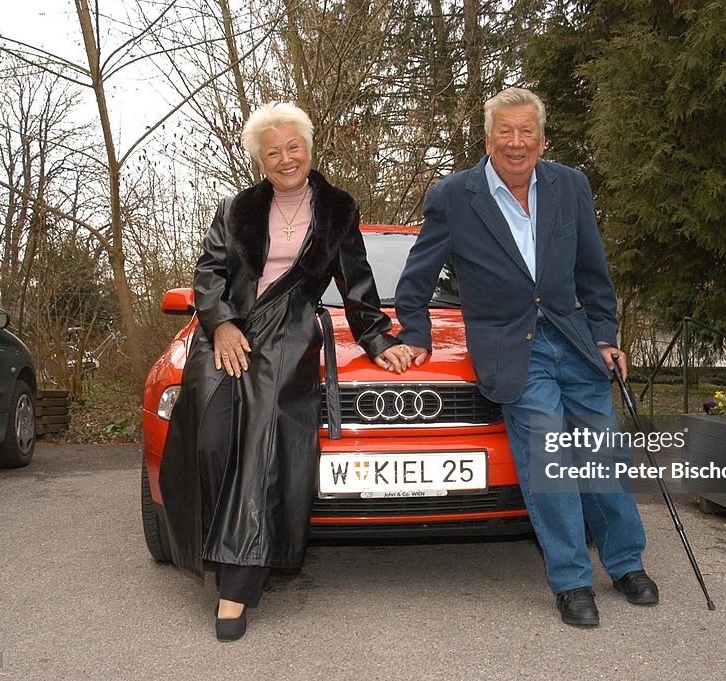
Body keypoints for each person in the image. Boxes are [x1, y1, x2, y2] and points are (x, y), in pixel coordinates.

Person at [394, 87, 658, 627]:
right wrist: (415, 335)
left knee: (601, 450)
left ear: (542, 138)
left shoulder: (570, 185)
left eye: (527, 132)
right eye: (505, 132)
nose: (517, 143)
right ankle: (570, 580)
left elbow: (593, 271)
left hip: (574, 338)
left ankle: (626, 563)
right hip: (511, 347)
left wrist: (606, 334)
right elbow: (416, 278)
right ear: (488, 138)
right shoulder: (452, 196)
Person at [159, 102, 412, 642]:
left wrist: (376, 338)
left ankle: (237, 585)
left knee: (261, 447)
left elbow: (357, 283)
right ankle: (221, 550)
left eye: (293, 147)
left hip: (289, 336)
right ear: (260, 159)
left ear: (310, 148)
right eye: (272, 152)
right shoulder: (236, 209)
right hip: (226, 336)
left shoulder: (338, 209)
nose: (285, 158)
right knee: (210, 438)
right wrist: (221, 323)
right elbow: (209, 274)